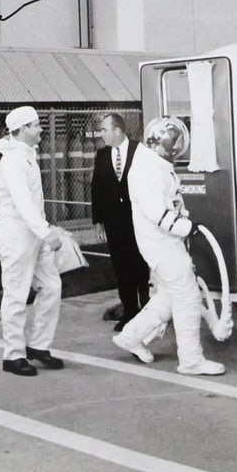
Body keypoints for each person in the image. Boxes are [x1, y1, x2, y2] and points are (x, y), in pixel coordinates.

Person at [112, 116, 225, 376]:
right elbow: (157, 212)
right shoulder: (148, 169)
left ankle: (130, 336)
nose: (175, 149)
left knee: (169, 297)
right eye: (172, 144)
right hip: (161, 244)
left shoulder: (152, 164)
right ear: (161, 143)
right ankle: (191, 360)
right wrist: (186, 227)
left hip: (163, 243)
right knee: (187, 298)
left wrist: (182, 223)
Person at [0, 105, 65, 377]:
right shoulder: (12, 161)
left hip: (33, 232)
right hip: (15, 234)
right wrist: (46, 233)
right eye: (35, 125)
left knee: (51, 286)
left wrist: (44, 230)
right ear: (22, 129)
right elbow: (23, 202)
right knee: (16, 294)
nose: (40, 129)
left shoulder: (26, 156)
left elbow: (34, 203)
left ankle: (37, 345)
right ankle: (13, 355)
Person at [91, 112, 151, 331]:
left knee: (141, 266)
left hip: (138, 221)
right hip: (114, 223)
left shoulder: (140, 151)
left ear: (117, 130)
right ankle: (129, 312)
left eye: (105, 130)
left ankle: (149, 311)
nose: (102, 134)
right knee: (121, 268)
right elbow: (96, 189)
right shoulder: (102, 155)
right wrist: (98, 221)